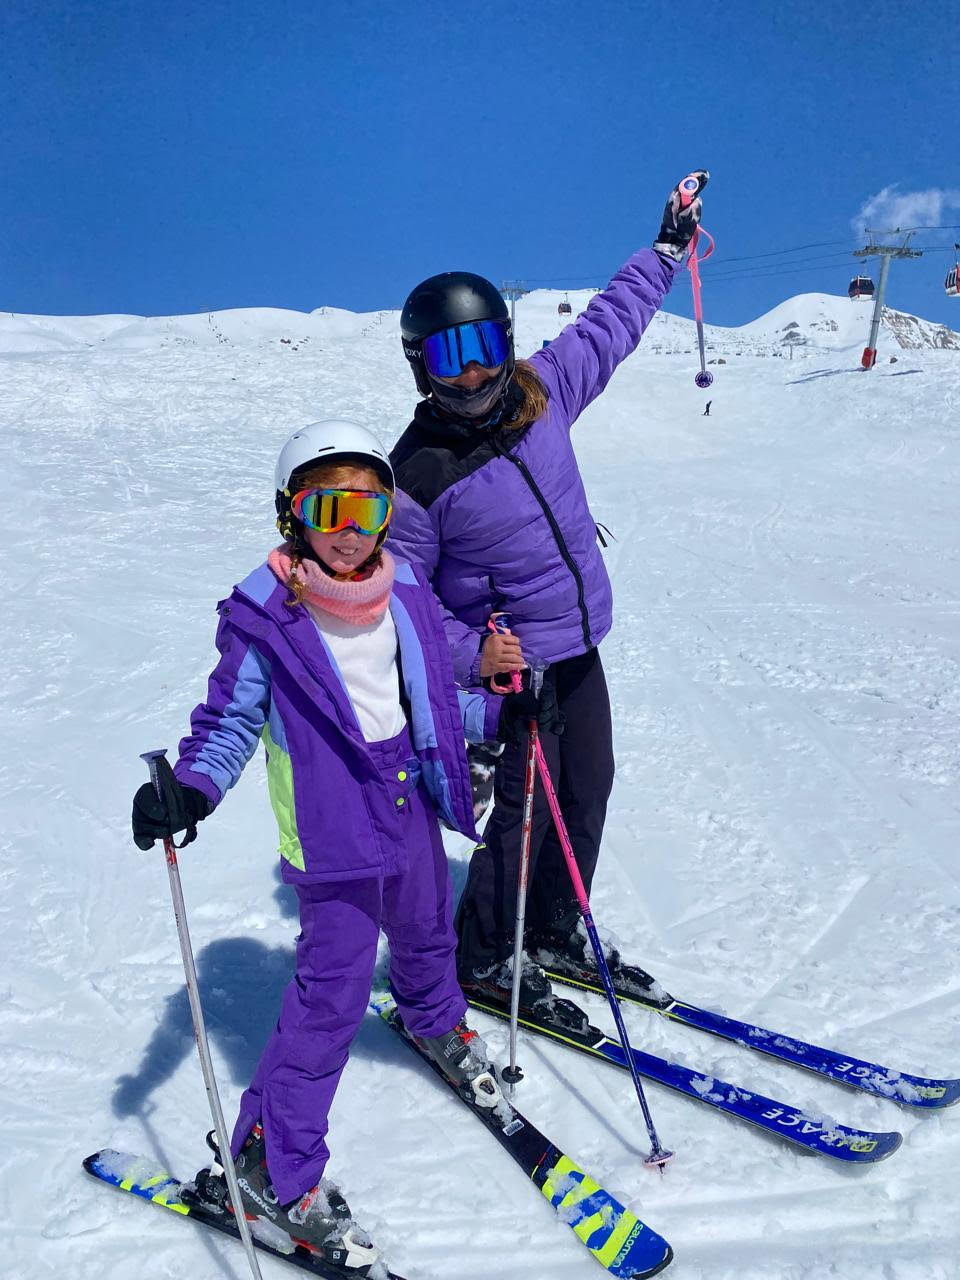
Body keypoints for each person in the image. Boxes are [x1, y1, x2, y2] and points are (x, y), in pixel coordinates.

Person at [130, 420, 526, 1274]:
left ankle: (435, 1021)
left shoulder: (404, 588)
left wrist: (500, 711)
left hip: (408, 794)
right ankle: (272, 1167)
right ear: (292, 515)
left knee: (428, 929)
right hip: (330, 829)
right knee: (331, 1001)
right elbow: (229, 722)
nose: (348, 529)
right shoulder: (267, 616)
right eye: (326, 508)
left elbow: (426, 703)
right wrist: (189, 788)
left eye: (367, 507)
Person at [387, 172, 708, 1032]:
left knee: (588, 786)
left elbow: (610, 323)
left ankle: (558, 927)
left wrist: (665, 251)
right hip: (514, 668)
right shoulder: (416, 476)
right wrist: (474, 658)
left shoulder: (541, 390)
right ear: (422, 366)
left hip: (577, 642)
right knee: (527, 811)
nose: (473, 370)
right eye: (450, 356)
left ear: (506, 341)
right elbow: (405, 606)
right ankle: (487, 952)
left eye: (484, 345)